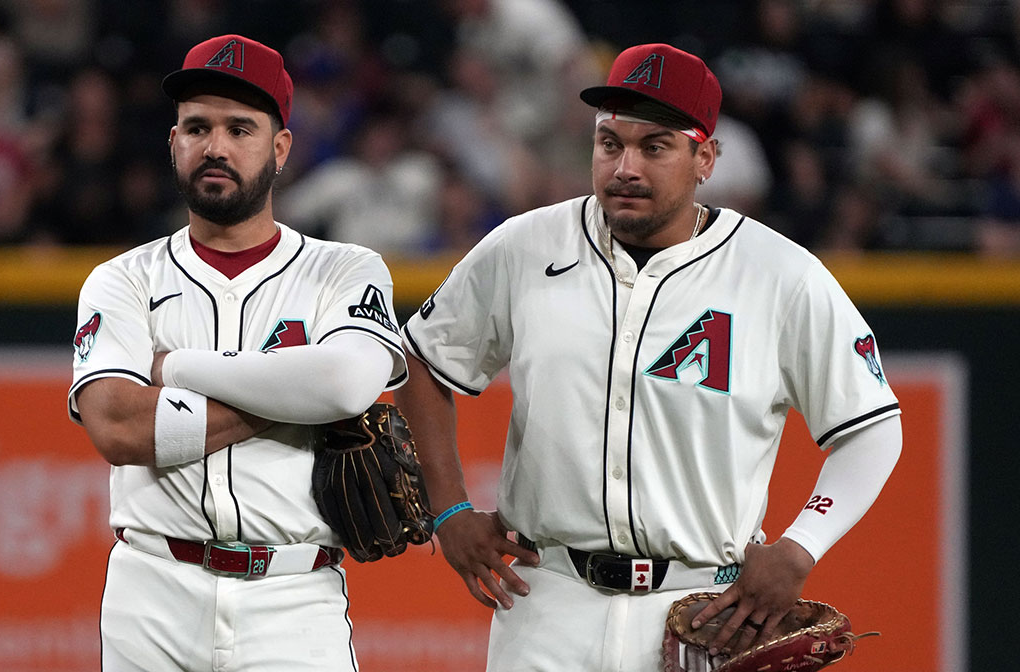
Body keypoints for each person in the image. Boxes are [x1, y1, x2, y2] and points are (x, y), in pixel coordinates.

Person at [393, 43, 903, 671]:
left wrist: (802, 544)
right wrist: (448, 509)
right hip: (546, 601)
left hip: (704, 611)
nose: (625, 167)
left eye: (655, 147)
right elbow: (420, 360)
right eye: (610, 143)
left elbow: (872, 428)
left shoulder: (780, 275)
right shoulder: (524, 248)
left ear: (705, 157)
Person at [67, 35, 407, 671]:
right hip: (153, 591)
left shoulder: (344, 270)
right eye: (197, 127)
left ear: (280, 149)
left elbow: (342, 388)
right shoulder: (122, 280)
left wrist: (175, 370)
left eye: (239, 128)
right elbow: (115, 425)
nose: (215, 146)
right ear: (174, 144)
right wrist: (291, 398)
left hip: (294, 596)